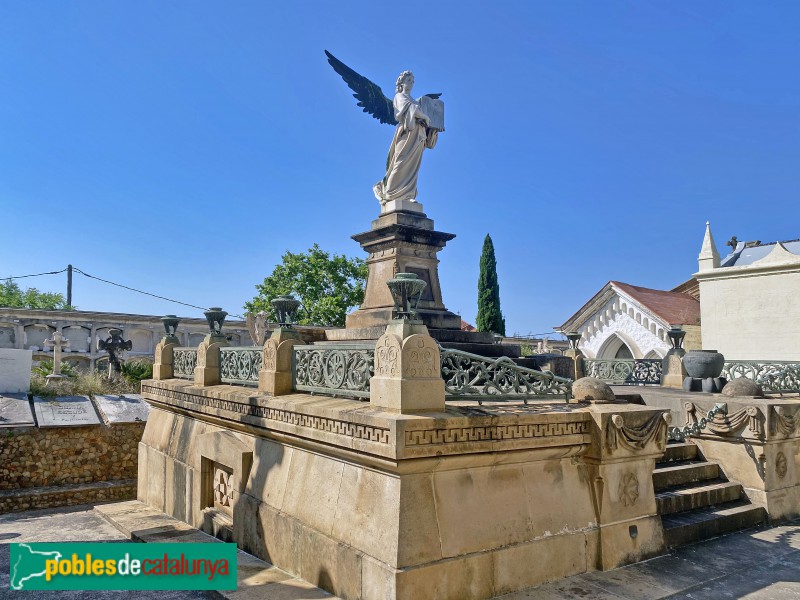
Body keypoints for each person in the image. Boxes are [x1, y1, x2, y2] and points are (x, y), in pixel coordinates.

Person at [373, 71, 438, 204]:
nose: (411, 84)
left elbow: (417, 110)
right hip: (407, 133)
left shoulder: (414, 100)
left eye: (413, 81)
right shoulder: (399, 96)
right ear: (401, 83)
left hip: (418, 135)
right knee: (401, 162)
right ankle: (390, 192)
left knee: (413, 166)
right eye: (409, 81)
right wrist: (425, 116)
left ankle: (407, 195)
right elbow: (409, 108)